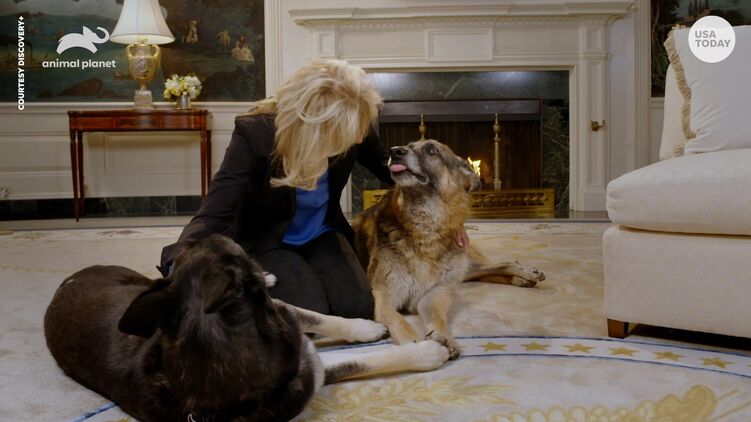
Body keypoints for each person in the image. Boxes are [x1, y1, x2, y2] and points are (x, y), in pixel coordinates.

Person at [159, 59, 392, 319]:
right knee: (308, 312)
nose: (358, 139)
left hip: (323, 233)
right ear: (314, 128)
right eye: (349, 133)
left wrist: (425, 172)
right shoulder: (256, 134)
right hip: (267, 239)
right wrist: (180, 261)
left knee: (357, 309)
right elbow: (215, 211)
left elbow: (387, 167)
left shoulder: (353, 121)